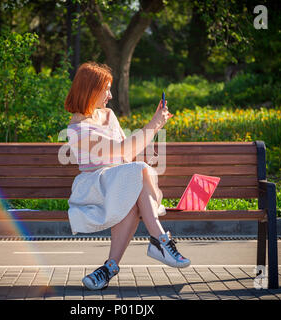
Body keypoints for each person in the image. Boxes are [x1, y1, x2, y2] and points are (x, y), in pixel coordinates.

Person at [64, 61, 190, 291]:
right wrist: (155, 124)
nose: (110, 96)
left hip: (117, 180)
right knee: (137, 172)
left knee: (133, 191)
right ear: (91, 90)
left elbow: (127, 153)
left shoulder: (108, 115)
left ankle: (110, 267)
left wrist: (144, 158)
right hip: (95, 186)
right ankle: (160, 240)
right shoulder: (76, 129)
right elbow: (121, 150)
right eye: (107, 89)